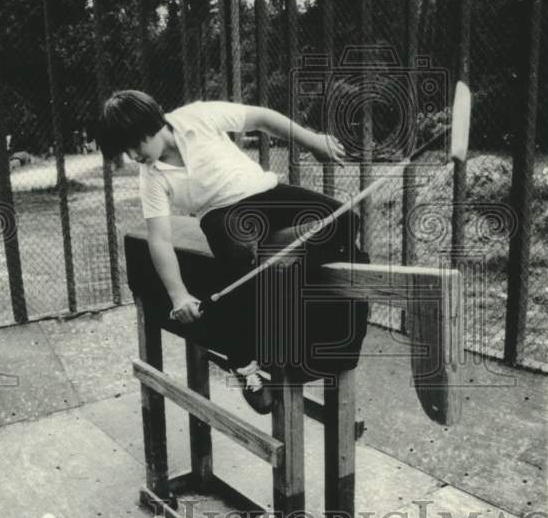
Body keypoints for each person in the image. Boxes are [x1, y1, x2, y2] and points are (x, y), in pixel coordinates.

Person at [96, 91, 364, 414]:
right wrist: (178, 294)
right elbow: (160, 239)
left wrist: (313, 142)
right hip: (222, 214)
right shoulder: (151, 176)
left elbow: (263, 119)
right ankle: (243, 360)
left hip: (267, 192)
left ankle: (304, 313)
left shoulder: (198, 116)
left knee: (347, 221)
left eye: (134, 144)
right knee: (238, 252)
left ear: (152, 125)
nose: (132, 155)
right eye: (125, 150)